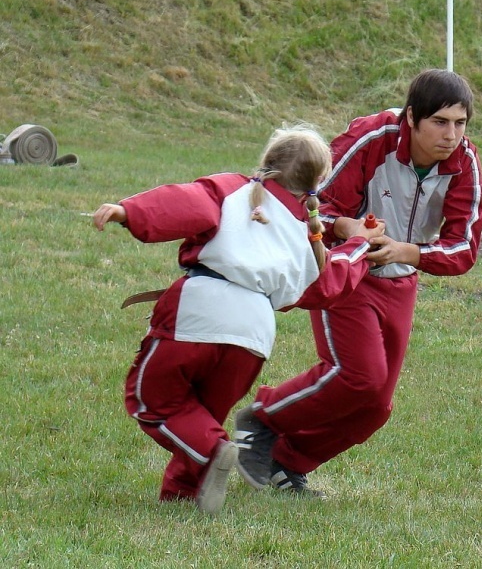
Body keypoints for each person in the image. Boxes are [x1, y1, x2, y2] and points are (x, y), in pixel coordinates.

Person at [92, 124, 385, 513]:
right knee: (204, 415)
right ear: (318, 183)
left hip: (199, 310)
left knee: (153, 400)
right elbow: (330, 282)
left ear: (266, 163)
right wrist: (361, 243)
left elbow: (183, 203)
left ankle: (214, 450)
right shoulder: (305, 237)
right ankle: (181, 493)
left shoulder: (233, 190)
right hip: (254, 336)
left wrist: (130, 211)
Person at [234, 69, 482, 495]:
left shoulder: (465, 162)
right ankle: (262, 419)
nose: (451, 135)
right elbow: (306, 205)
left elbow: (464, 247)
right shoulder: (371, 140)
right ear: (411, 118)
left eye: (460, 124)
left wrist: (406, 252)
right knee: (360, 377)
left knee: (375, 408)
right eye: (440, 122)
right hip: (345, 271)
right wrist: (347, 228)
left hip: (401, 280)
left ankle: (287, 463)